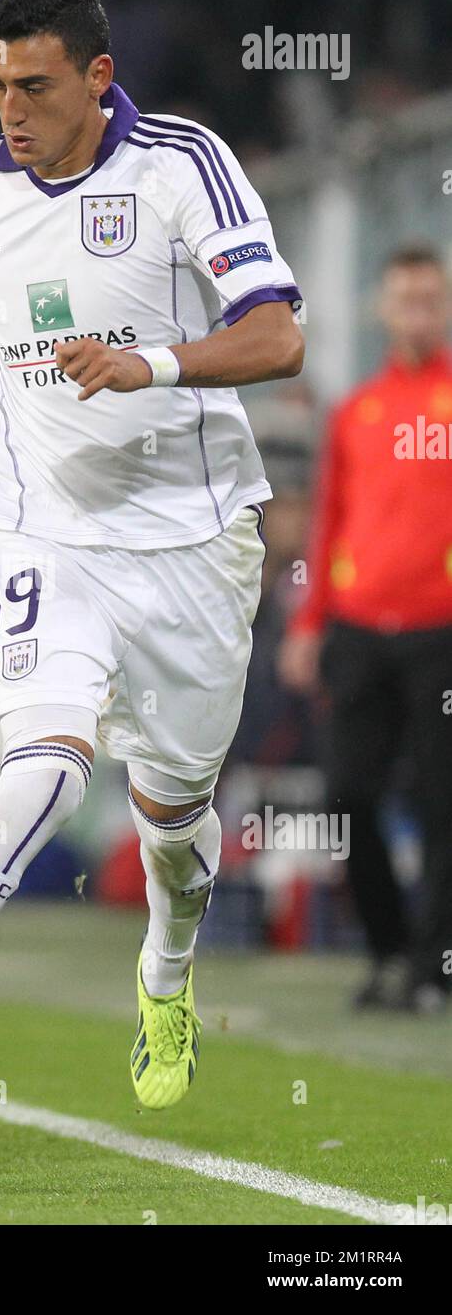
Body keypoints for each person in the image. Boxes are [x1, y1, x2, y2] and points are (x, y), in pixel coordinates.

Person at [0, 0, 303, 1185]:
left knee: (173, 828)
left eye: (33, 87)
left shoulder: (179, 166)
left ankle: (163, 969)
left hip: (191, 544)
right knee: (37, 775)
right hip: (39, 527)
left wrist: (145, 364)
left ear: (99, 77)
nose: (10, 112)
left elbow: (277, 333)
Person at [279, 245, 452, 1014]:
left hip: (440, 631)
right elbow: (329, 525)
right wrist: (308, 622)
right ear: (383, 309)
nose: (416, 311)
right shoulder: (357, 411)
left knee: (445, 804)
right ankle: (388, 951)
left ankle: (432, 966)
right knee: (346, 796)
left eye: (429, 299)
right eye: (404, 298)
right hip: (357, 631)